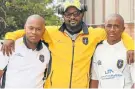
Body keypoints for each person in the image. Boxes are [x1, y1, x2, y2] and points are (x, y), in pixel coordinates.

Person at [0, 0, 134, 88]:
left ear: (82, 14)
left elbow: (118, 32)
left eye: (76, 13)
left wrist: (131, 47)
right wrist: (10, 37)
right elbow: (31, 29)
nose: (72, 17)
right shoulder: (51, 33)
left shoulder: (95, 34)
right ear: (63, 16)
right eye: (68, 14)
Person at [0, 14, 51, 88]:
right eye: (31, 28)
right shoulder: (10, 46)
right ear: (25, 28)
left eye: (38, 29)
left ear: (43, 31)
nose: (34, 32)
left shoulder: (46, 51)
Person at [90, 14, 135, 88]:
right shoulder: (98, 49)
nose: (112, 29)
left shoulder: (130, 51)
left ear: (123, 29)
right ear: (104, 28)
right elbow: (95, 79)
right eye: (109, 26)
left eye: (116, 26)